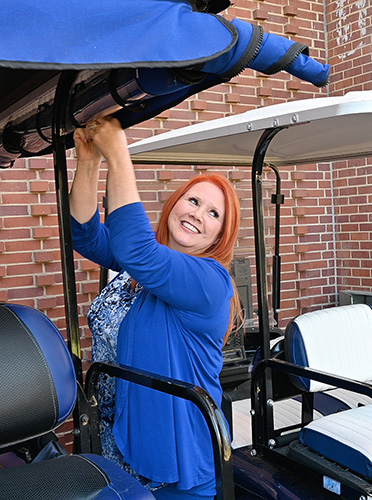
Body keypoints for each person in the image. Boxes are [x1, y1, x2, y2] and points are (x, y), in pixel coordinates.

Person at [70, 117, 241, 499]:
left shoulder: (211, 281)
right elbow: (84, 233)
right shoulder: (147, 265)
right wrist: (90, 161)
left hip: (180, 463)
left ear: (220, 235)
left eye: (214, 214)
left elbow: (136, 249)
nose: (198, 213)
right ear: (175, 204)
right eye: (194, 200)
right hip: (122, 440)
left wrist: (118, 151)